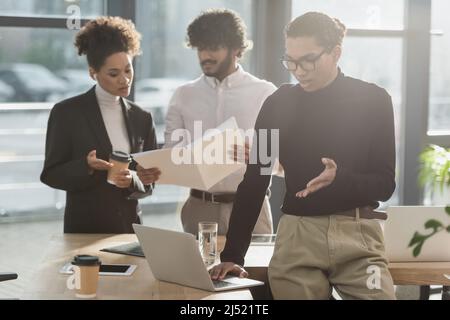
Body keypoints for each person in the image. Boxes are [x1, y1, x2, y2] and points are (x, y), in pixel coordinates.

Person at [211, 12, 397, 300]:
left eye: (308, 59)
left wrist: (341, 178)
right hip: (297, 237)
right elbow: (255, 182)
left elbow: (385, 185)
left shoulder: (374, 100)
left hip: (359, 238)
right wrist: (233, 254)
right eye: (291, 61)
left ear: (336, 52)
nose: (298, 70)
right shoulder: (277, 104)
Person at [139, 9, 277, 236]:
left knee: (254, 272)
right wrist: (154, 171)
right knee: (196, 272)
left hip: (252, 207)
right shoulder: (183, 95)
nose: (205, 56)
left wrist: (258, 156)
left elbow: (277, 162)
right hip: (198, 209)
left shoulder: (265, 93)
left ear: (236, 49)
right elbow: (171, 153)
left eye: (213, 48)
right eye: (200, 48)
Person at [41, 17, 161, 234]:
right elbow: (50, 174)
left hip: (128, 230)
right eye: (113, 74)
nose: (124, 79)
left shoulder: (142, 117)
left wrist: (134, 180)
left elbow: (148, 184)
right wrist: (85, 166)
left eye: (128, 70)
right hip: (84, 230)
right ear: (92, 73)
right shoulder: (67, 113)